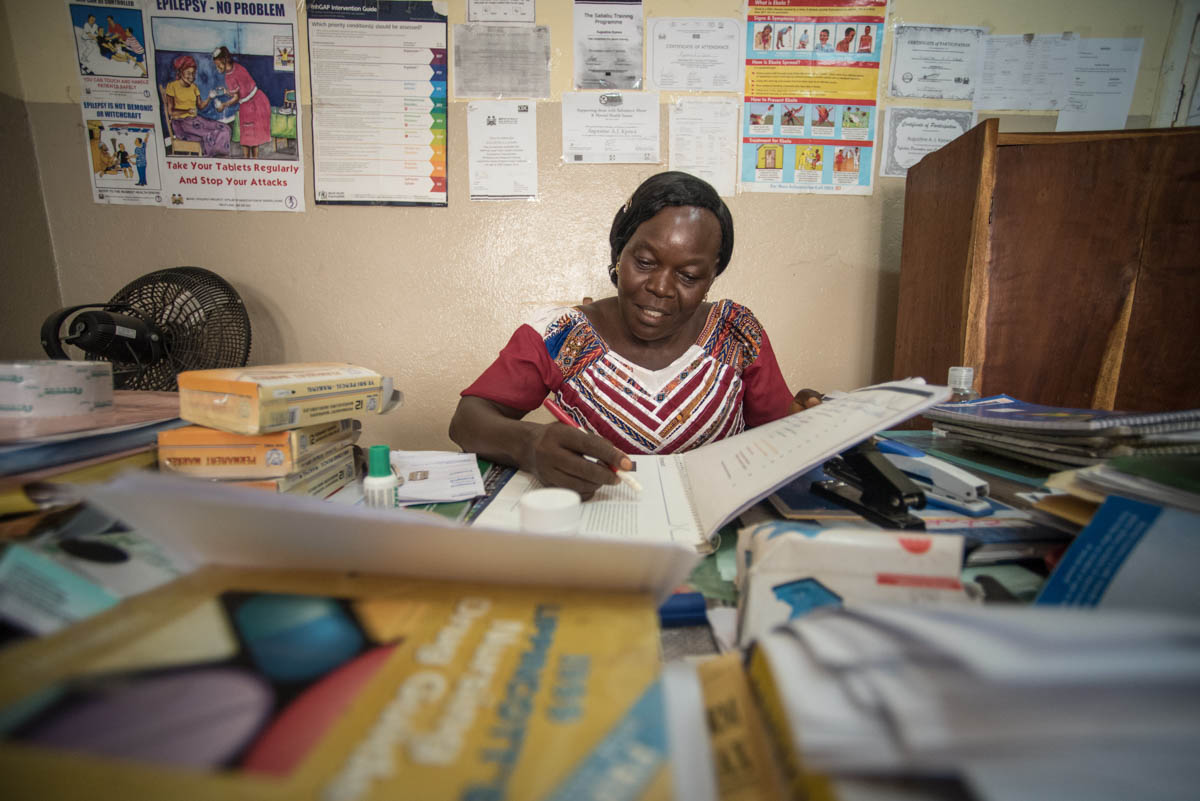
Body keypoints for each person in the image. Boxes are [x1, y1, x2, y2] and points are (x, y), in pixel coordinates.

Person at [449, 172, 822, 497]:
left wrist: (807, 421)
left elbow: (778, 434)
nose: (660, 287)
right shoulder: (563, 334)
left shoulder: (736, 334)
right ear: (619, 254)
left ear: (711, 278)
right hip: (601, 532)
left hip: (715, 534)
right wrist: (529, 445)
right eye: (644, 262)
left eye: (689, 276)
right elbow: (467, 421)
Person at [162, 54, 231, 157]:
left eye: (193, 73)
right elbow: (171, 112)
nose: (192, 77)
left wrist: (209, 97)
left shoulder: (194, 87)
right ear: (180, 72)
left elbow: (201, 106)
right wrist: (187, 111)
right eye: (188, 73)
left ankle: (218, 155)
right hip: (182, 124)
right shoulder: (172, 86)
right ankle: (211, 157)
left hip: (195, 121)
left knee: (225, 128)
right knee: (209, 134)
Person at [211, 46, 271, 159]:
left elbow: (236, 97)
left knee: (248, 138)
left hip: (251, 106)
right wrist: (226, 91)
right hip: (259, 100)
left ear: (224, 60)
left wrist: (224, 105)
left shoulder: (229, 77)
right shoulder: (237, 67)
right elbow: (240, 91)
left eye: (218, 65)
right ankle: (253, 161)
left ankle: (248, 160)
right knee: (252, 138)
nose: (217, 68)